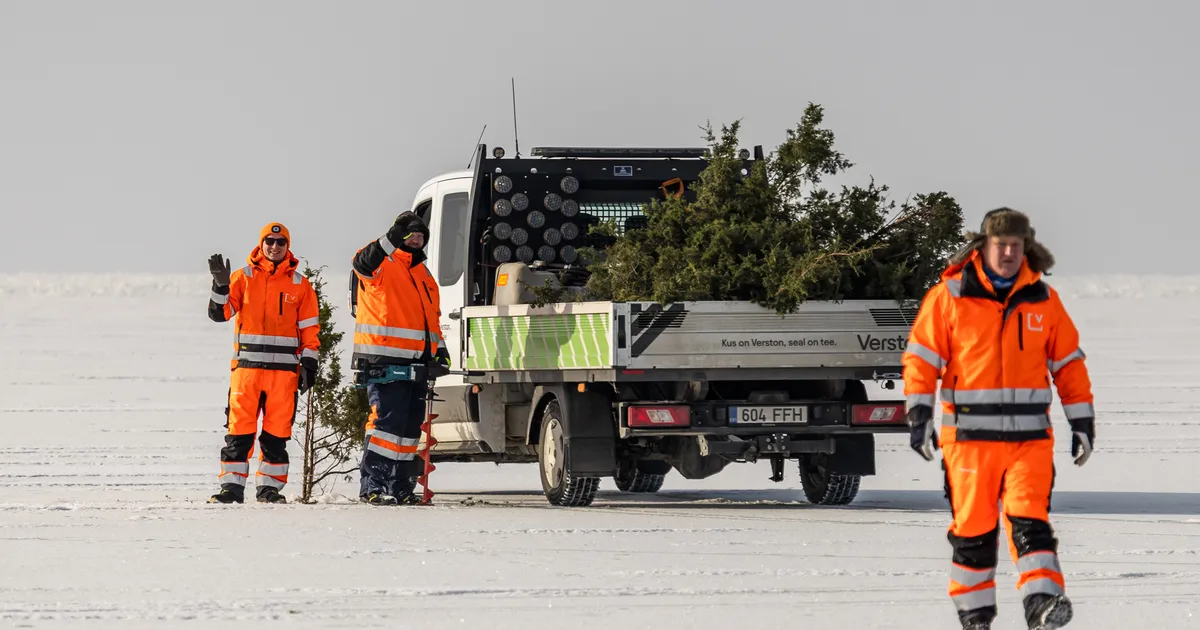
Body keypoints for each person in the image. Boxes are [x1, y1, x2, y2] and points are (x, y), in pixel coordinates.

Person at [902, 208, 1095, 630]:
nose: (1008, 252)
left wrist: (1082, 420)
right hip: (969, 439)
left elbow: (1068, 364)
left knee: (1030, 520)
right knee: (974, 531)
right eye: (1000, 244)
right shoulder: (950, 296)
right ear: (984, 245)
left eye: (1015, 245)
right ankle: (975, 618)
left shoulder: (1043, 299)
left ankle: (1042, 604)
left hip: (1030, 441)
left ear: (1026, 247)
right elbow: (921, 359)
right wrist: (919, 414)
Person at [206, 222, 320, 504]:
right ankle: (231, 489)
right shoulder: (242, 278)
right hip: (247, 372)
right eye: (269, 241)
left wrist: (309, 364)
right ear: (261, 243)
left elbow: (309, 330)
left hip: (284, 376)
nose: (275, 247)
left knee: (276, 435)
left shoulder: (300, 284)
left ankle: (269, 490)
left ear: (287, 246)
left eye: (280, 243)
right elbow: (220, 314)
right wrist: (220, 285)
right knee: (238, 432)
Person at [350, 211, 450, 506]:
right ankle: (374, 485)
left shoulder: (423, 274)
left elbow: (431, 318)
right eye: (411, 236)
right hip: (384, 359)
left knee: (409, 430)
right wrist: (391, 238)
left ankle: (400, 485)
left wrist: (439, 350)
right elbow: (362, 262)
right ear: (399, 237)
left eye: (421, 237)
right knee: (386, 425)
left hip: (418, 363)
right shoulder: (381, 263)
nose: (417, 241)